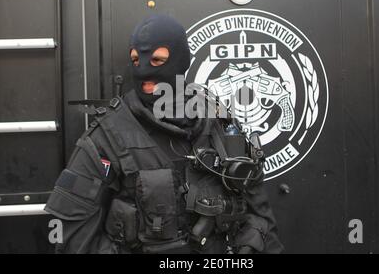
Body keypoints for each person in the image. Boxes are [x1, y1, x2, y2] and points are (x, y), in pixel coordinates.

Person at [45, 15, 284, 254]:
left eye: (158, 59)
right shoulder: (106, 138)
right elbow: (73, 239)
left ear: (180, 61)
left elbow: (259, 212)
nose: (144, 70)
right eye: (136, 60)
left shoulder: (219, 121)